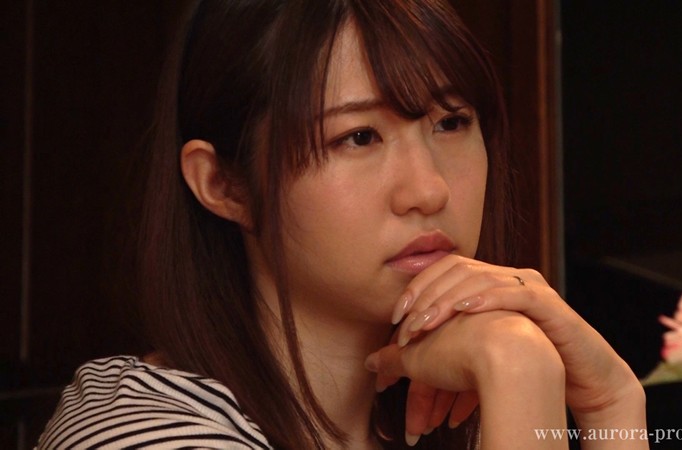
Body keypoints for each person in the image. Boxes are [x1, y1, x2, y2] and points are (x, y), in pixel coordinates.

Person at [37, 0, 648, 449]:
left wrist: (611, 409)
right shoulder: (142, 433)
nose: (428, 190)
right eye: (358, 136)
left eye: (451, 123)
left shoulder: (468, 414)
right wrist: (518, 367)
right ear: (224, 184)